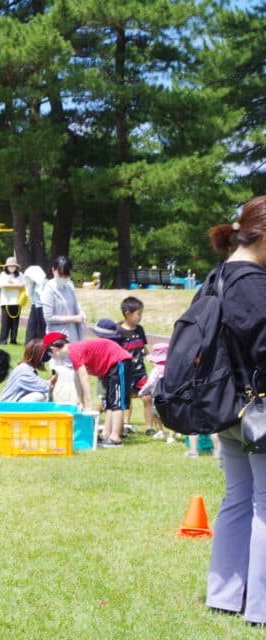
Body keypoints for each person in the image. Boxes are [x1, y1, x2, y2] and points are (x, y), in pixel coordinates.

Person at [200, 196, 266, 625]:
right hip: (258, 408)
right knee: (264, 502)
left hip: (224, 406)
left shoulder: (216, 277)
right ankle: (260, 606)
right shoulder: (256, 285)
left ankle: (224, 596)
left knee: (239, 498)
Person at [43, 331, 132, 448]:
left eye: (50, 353)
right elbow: (77, 378)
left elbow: (84, 377)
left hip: (119, 361)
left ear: (54, 348)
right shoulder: (73, 352)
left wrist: (89, 401)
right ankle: (106, 434)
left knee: (116, 401)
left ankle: (115, 438)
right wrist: (80, 400)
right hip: (110, 366)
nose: (52, 357)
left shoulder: (73, 350)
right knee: (109, 402)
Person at [115, 297, 153, 436]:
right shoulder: (118, 331)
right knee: (126, 399)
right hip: (124, 371)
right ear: (128, 314)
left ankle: (149, 428)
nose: (140, 317)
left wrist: (152, 358)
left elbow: (144, 348)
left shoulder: (140, 330)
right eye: (139, 314)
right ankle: (125, 424)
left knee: (147, 398)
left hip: (140, 372)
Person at [40, 255, 86, 343]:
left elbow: (76, 305)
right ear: (53, 270)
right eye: (60, 274)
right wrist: (73, 318)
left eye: (66, 275)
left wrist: (82, 313)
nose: (63, 278)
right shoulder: (49, 289)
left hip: (73, 336)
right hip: (57, 339)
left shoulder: (69, 287)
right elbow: (48, 318)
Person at [138, 343, 175, 444]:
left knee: (155, 413)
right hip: (171, 395)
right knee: (172, 415)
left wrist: (142, 391)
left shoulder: (156, 370)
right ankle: (171, 436)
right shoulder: (172, 369)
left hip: (158, 396)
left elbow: (150, 384)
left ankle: (160, 431)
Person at [0, 256, 25, 345]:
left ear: (16, 267)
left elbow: (24, 285)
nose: (11, 267)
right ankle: (3, 340)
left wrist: (13, 284)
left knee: (15, 323)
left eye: (13, 266)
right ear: (6, 267)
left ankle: (13, 340)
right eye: (10, 266)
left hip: (17, 302)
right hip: (6, 302)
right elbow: (3, 285)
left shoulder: (20, 275)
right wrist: (17, 285)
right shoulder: (3, 275)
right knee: (5, 322)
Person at [22, 264, 47, 342]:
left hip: (43, 307)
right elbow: (29, 292)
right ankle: (29, 344)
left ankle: (42, 344)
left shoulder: (46, 283)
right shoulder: (32, 284)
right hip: (35, 306)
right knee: (32, 326)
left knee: (42, 327)